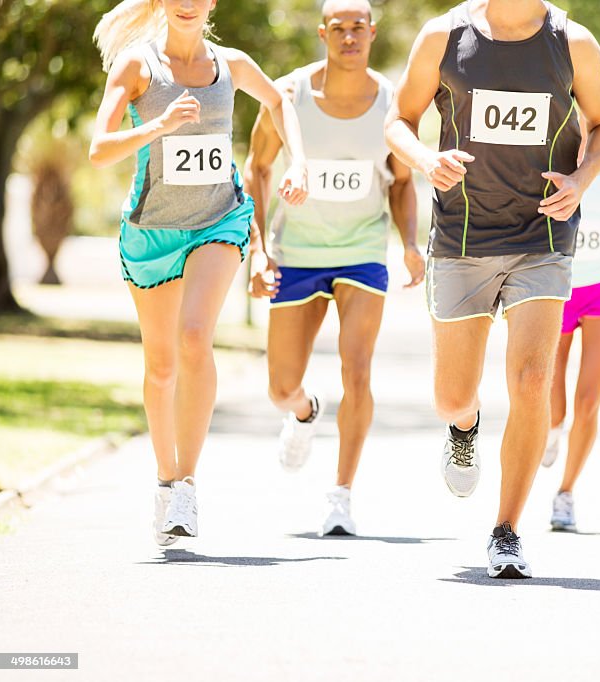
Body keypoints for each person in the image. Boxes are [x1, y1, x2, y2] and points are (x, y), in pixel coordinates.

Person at [385, 0, 600, 578]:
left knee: (534, 378)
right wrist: (424, 159)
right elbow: (398, 120)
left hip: (543, 232)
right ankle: (465, 427)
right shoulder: (444, 35)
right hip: (462, 236)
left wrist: (581, 179)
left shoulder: (574, 42)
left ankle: (507, 529)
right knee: (452, 396)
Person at [90, 0, 308, 545]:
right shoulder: (138, 68)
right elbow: (99, 149)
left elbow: (280, 100)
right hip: (153, 230)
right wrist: (159, 125)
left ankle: (186, 482)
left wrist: (299, 162)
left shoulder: (230, 64)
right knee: (161, 369)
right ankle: (165, 479)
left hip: (219, 217)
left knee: (194, 338)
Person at [245, 0, 424, 537]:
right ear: (323, 33)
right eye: (339, 29)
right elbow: (256, 167)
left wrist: (409, 242)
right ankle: (303, 413)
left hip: (363, 250)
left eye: (359, 28)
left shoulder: (391, 102)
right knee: (280, 387)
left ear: (373, 32)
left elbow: (400, 181)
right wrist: (259, 248)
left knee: (358, 368)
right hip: (297, 251)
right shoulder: (290, 95)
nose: (350, 37)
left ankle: (341, 495)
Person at [543, 49, 600, 533]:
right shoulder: (554, 145)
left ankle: (566, 493)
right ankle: (550, 430)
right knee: (549, 395)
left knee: (589, 400)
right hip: (555, 285)